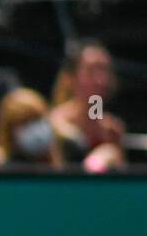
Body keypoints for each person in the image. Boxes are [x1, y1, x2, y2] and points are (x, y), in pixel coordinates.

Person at [49, 40, 126, 173]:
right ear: (70, 78)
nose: (101, 80)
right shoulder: (52, 124)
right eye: (91, 71)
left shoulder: (112, 131)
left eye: (105, 70)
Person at [0, 87, 60, 168]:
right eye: (24, 123)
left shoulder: (69, 149)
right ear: (9, 131)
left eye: (36, 119)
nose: (34, 129)